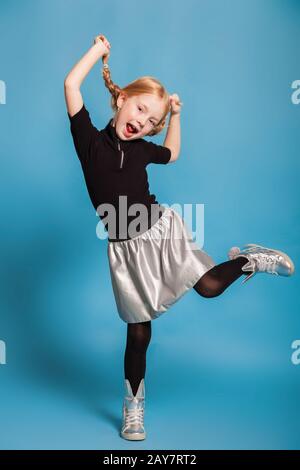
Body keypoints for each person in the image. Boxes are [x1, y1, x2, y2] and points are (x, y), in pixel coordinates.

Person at [64, 34, 295, 441]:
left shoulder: (141, 150)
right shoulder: (90, 143)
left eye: (151, 121)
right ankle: (133, 407)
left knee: (207, 287)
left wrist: (175, 116)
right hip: (125, 252)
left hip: (159, 231)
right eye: (140, 109)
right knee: (138, 333)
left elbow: (173, 153)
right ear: (120, 101)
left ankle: (252, 259)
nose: (143, 122)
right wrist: (98, 54)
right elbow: (70, 85)